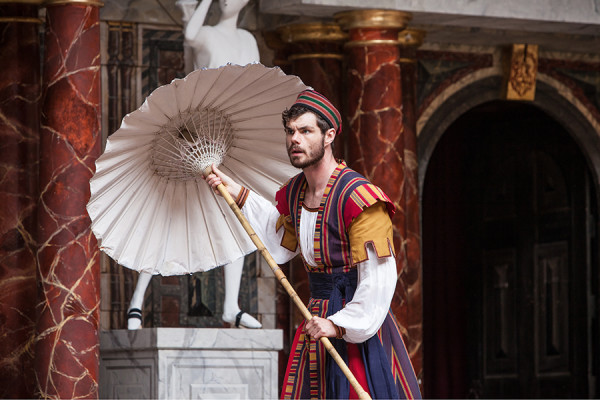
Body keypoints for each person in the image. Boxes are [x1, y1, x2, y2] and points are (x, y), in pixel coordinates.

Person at [205, 89, 421, 399]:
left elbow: (379, 278)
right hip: (315, 319)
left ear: (329, 134)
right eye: (291, 131)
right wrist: (236, 191)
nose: (295, 139)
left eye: (306, 131)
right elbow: (281, 243)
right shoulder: (295, 192)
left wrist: (340, 324)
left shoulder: (359, 198)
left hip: (355, 326)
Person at [126, 0, 261, 330]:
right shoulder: (206, 34)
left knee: (238, 215)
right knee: (171, 213)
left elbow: (255, 85)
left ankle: (231, 305)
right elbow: (190, 36)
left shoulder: (247, 39)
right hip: (197, 132)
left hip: (230, 134)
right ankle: (136, 301)